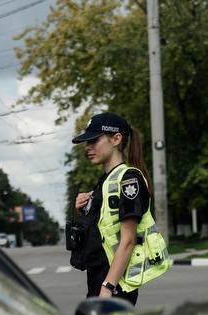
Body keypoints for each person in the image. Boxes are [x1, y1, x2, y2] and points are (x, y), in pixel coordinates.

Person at [67, 112, 170, 304]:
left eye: (94, 140)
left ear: (116, 139)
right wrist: (87, 207)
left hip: (115, 285)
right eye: (86, 142)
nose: (87, 147)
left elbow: (128, 240)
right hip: (100, 280)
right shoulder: (107, 181)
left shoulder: (129, 180)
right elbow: (105, 228)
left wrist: (108, 287)